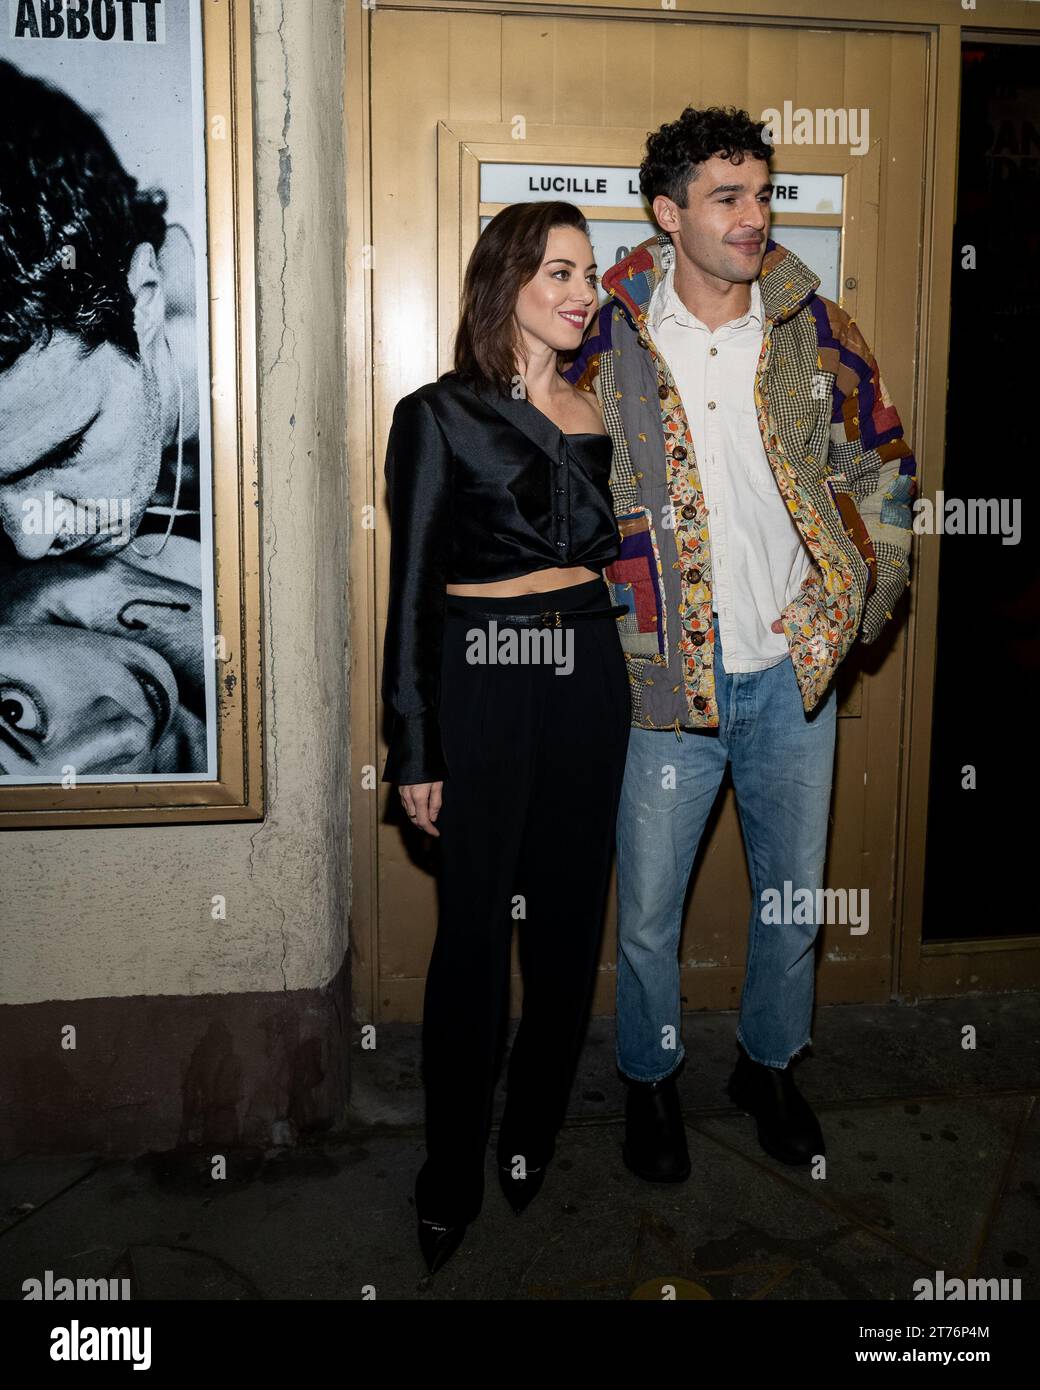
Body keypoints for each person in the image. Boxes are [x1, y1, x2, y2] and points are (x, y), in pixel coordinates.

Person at [563, 106, 917, 1178]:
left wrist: (854, 610)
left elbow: (884, 470)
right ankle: (651, 1083)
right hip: (665, 681)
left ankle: (766, 1067)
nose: (753, 217)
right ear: (668, 213)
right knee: (649, 917)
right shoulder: (606, 338)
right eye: (726, 197)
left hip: (791, 672)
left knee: (790, 901)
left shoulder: (816, 328)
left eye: (763, 194)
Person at [380, 201, 631, 1274]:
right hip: (483, 674)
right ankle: (449, 1166)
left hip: (585, 671)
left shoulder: (591, 405)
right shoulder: (434, 415)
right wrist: (414, 745)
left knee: (570, 930)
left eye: (586, 274)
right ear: (508, 282)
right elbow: (410, 599)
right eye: (559, 272)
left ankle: (528, 1133)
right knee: (474, 937)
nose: (582, 292)